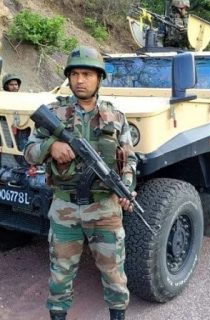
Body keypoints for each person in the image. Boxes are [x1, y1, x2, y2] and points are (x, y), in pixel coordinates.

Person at [24, 45, 137, 320]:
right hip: (65, 209)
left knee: (114, 275)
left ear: (99, 78)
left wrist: (127, 189)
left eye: (87, 74)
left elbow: (130, 160)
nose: (80, 80)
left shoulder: (116, 117)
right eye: (74, 74)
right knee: (60, 275)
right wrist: (51, 146)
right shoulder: (55, 114)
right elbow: (29, 152)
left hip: (105, 210)